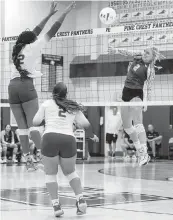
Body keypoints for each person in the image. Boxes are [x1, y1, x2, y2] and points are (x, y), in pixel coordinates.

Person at [8, 1, 76, 170]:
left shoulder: (18, 47)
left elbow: (35, 31)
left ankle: (28, 161)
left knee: (22, 129)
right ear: (33, 40)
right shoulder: (34, 47)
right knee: (34, 127)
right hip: (25, 87)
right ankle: (46, 157)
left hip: (11, 87)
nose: (37, 36)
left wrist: (48, 14)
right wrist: (64, 13)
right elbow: (52, 30)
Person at [33, 82, 99, 217]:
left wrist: (47, 120)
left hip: (50, 138)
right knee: (70, 172)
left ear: (53, 93)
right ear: (66, 94)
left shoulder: (46, 104)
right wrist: (92, 136)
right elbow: (86, 124)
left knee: (50, 174)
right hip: (68, 139)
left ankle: (56, 206)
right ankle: (80, 199)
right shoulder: (73, 106)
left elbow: (35, 121)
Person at [108, 43, 165, 166]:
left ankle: (144, 153)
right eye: (144, 51)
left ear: (152, 57)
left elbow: (149, 88)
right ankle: (139, 150)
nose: (144, 53)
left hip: (136, 94)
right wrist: (115, 49)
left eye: (147, 53)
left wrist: (146, 103)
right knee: (128, 128)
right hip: (125, 93)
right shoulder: (138, 56)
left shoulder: (150, 70)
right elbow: (127, 52)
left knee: (138, 123)